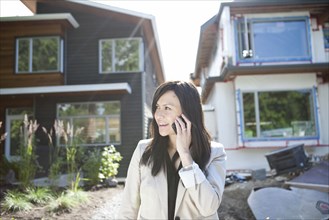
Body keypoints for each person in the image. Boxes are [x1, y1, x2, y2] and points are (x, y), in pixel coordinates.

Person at [117, 80, 227, 220]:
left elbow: (209, 207)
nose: (158, 115)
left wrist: (186, 156)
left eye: (167, 108)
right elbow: (128, 209)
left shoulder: (215, 153)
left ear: (188, 112)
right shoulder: (143, 150)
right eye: (157, 107)